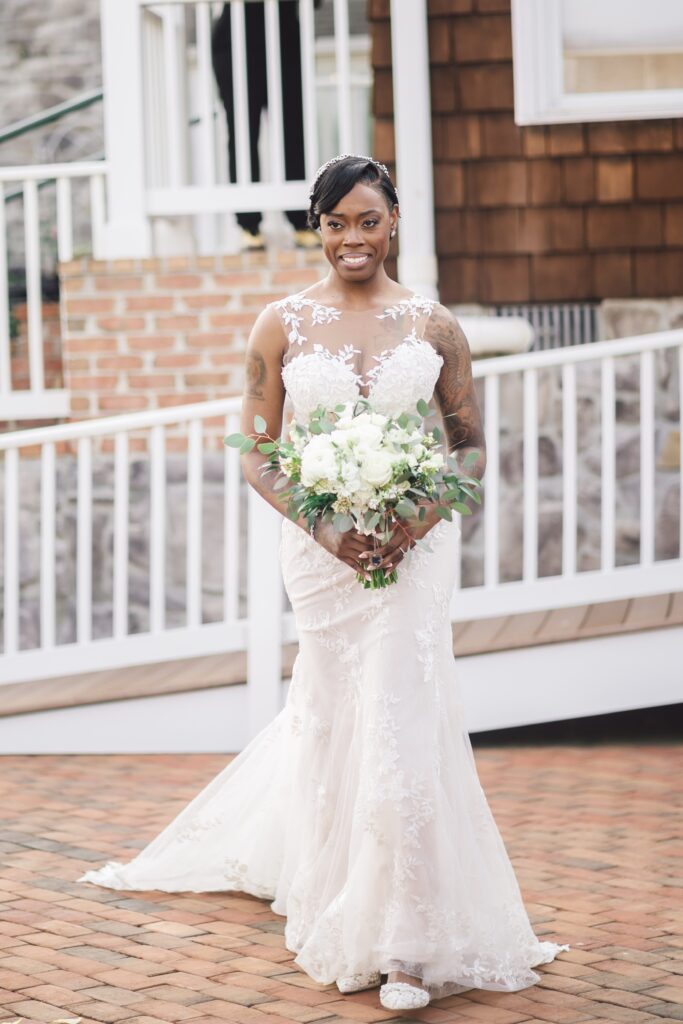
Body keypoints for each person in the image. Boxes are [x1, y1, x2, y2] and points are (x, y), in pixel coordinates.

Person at [78, 154, 569, 1010]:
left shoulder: (434, 325)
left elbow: (466, 444)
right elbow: (260, 452)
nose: (351, 238)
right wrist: (326, 526)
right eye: (335, 222)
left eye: (367, 221)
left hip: (414, 547)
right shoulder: (279, 325)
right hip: (320, 552)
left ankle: (405, 942)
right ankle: (328, 873)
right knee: (339, 711)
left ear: (394, 224)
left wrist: (417, 517)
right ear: (317, 228)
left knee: (403, 715)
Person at [211, 1, 321, 251]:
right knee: (242, 131)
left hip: (285, 34)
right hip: (235, 38)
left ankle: (300, 221)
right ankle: (249, 225)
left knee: (292, 129)